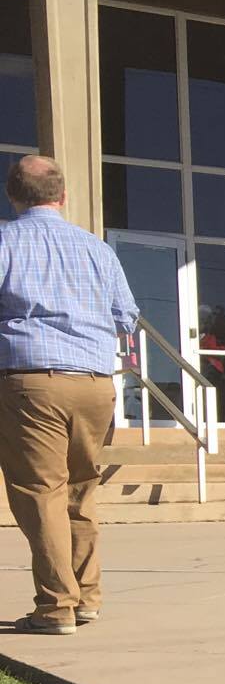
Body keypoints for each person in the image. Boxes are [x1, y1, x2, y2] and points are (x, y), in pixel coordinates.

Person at [0, 156, 139, 634]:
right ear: (62, 197)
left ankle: (56, 605)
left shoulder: (4, 240)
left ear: (13, 195)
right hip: (96, 382)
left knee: (41, 492)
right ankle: (87, 597)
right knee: (81, 490)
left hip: (31, 380)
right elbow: (127, 316)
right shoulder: (97, 249)